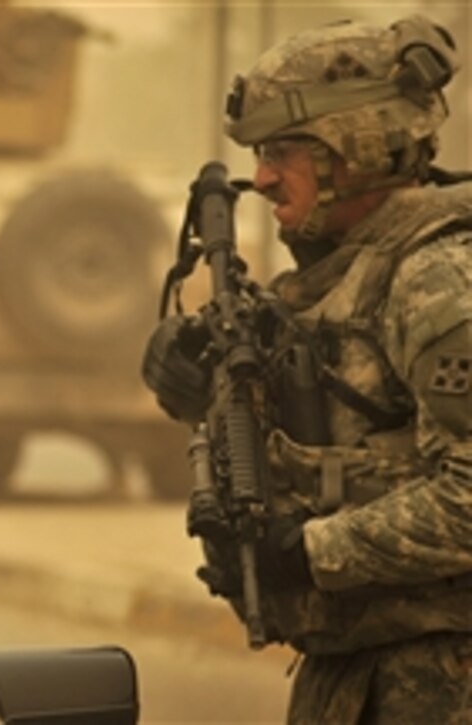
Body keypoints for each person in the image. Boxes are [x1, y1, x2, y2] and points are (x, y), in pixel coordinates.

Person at [143, 14, 472, 723]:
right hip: (355, 677)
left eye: (285, 150)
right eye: (259, 151)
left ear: (359, 147)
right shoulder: (336, 275)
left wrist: (313, 548)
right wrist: (199, 388)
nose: (260, 178)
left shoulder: (436, 279)